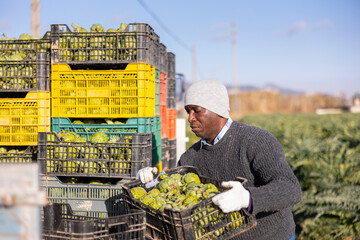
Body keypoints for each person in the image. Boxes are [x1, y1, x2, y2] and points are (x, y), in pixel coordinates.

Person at [138, 79, 301, 240]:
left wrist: (248, 198)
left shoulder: (255, 140)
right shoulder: (191, 157)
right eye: (188, 111)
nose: (190, 118)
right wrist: (151, 182)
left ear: (218, 110)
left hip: (272, 235)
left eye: (197, 110)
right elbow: (175, 190)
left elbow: (290, 188)